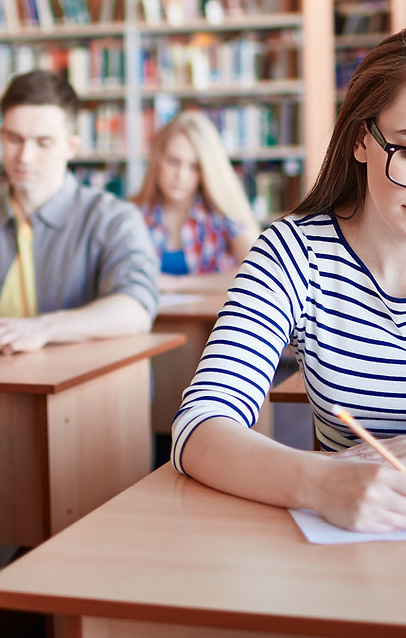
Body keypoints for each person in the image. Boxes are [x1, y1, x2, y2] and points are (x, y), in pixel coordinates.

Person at [172, 30, 406, 533]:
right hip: (360, 545)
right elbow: (200, 429)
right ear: (363, 140)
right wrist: (320, 481)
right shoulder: (294, 254)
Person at [0, 69, 158, 355]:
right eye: (14, 139)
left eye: (43, 143)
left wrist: (41, 328)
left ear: (71, 147)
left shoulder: (114, 219)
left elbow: (135, 309)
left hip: (79, 387)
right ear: (0, 135)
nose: (25, 157)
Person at [132, 110, 260, 294]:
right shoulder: (134, 216)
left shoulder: (222, 215)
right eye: (173, 162)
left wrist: (178, 284)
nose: (181, 176)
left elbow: (258, 272)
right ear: (157, 161)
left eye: (194, 167)